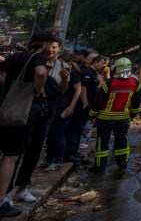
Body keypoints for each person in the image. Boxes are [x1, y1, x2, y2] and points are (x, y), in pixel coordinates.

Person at [0, 31, 52, 216]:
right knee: (11, 157)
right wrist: (37, 89)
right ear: (44, 44)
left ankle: (5, 196)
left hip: (7, 107)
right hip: (24, 112)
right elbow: (40, 72)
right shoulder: (38, 57)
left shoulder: (15, 57)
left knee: (6, 153)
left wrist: (9, 87)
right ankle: (2, 203)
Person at [12, 35, 65, 196]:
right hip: (26, 105)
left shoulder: (62, 66)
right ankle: (6, 190)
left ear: (59, 49)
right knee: (15, 150)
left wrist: (65, 78)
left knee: (35, 148)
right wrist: (36, 90)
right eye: (49, 45)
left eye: (54, 47)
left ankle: (23, 186)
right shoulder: (31, 60)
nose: (50, 49)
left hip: (47, 108)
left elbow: (62, 91)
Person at [89, 57, 141, 174]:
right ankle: (122, 165)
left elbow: (99, 101)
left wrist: (92, 114)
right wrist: (132, 115)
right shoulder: (135, 83)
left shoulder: (109, 83)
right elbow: (136, 103)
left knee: (102, 143)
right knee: (122, 142)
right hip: (123, 119)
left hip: (105, 119)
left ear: (116, 69)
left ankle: (100, 167)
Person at [42, 50, 82, 171]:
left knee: (59, 134)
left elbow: (78, 90)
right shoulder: (57, 71)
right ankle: (49, 159)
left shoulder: (73, 73)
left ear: (69, 63)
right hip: (55, 105)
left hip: (64, 106)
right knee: (51, 133)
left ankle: (58, 160)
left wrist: (71, 106)